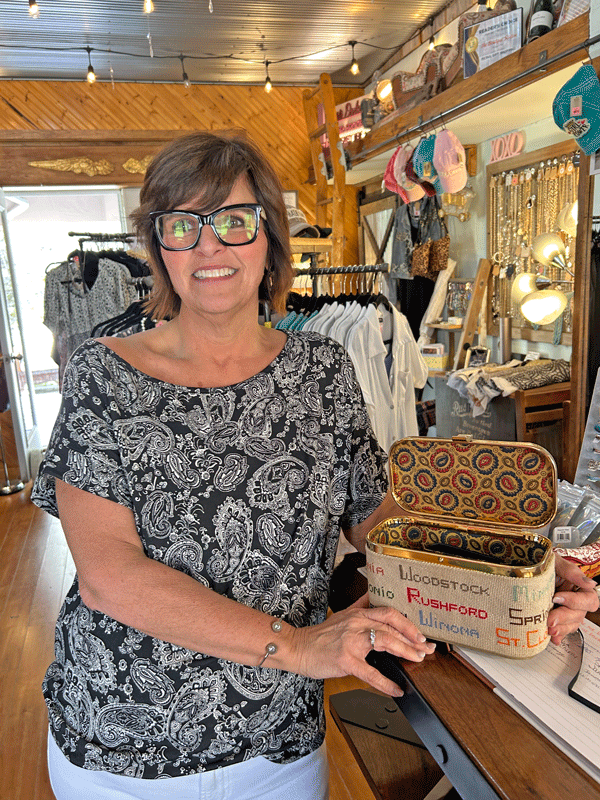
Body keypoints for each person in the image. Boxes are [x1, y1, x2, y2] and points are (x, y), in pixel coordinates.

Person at [31, 129, 597, 800]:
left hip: (278, 744)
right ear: (159, 247)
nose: (209, 246)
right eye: (182, 225)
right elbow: (109, 578)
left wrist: (510, 563)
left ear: (269, 238)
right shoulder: (106, 373)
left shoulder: (321, 368)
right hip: (125, 751)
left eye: (235, 221)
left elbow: (373, 515)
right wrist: (297, 646)